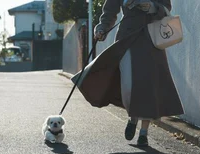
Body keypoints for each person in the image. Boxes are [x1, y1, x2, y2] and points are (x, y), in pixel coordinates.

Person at [72, 0, 184, 146]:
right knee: (128, 83)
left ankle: (143, 133)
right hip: (127, 38)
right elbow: (110, 11)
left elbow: (166, 7)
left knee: (149, 86)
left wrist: (152, 7)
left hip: (152, 41)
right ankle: (133, 118)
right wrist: (102, 28)